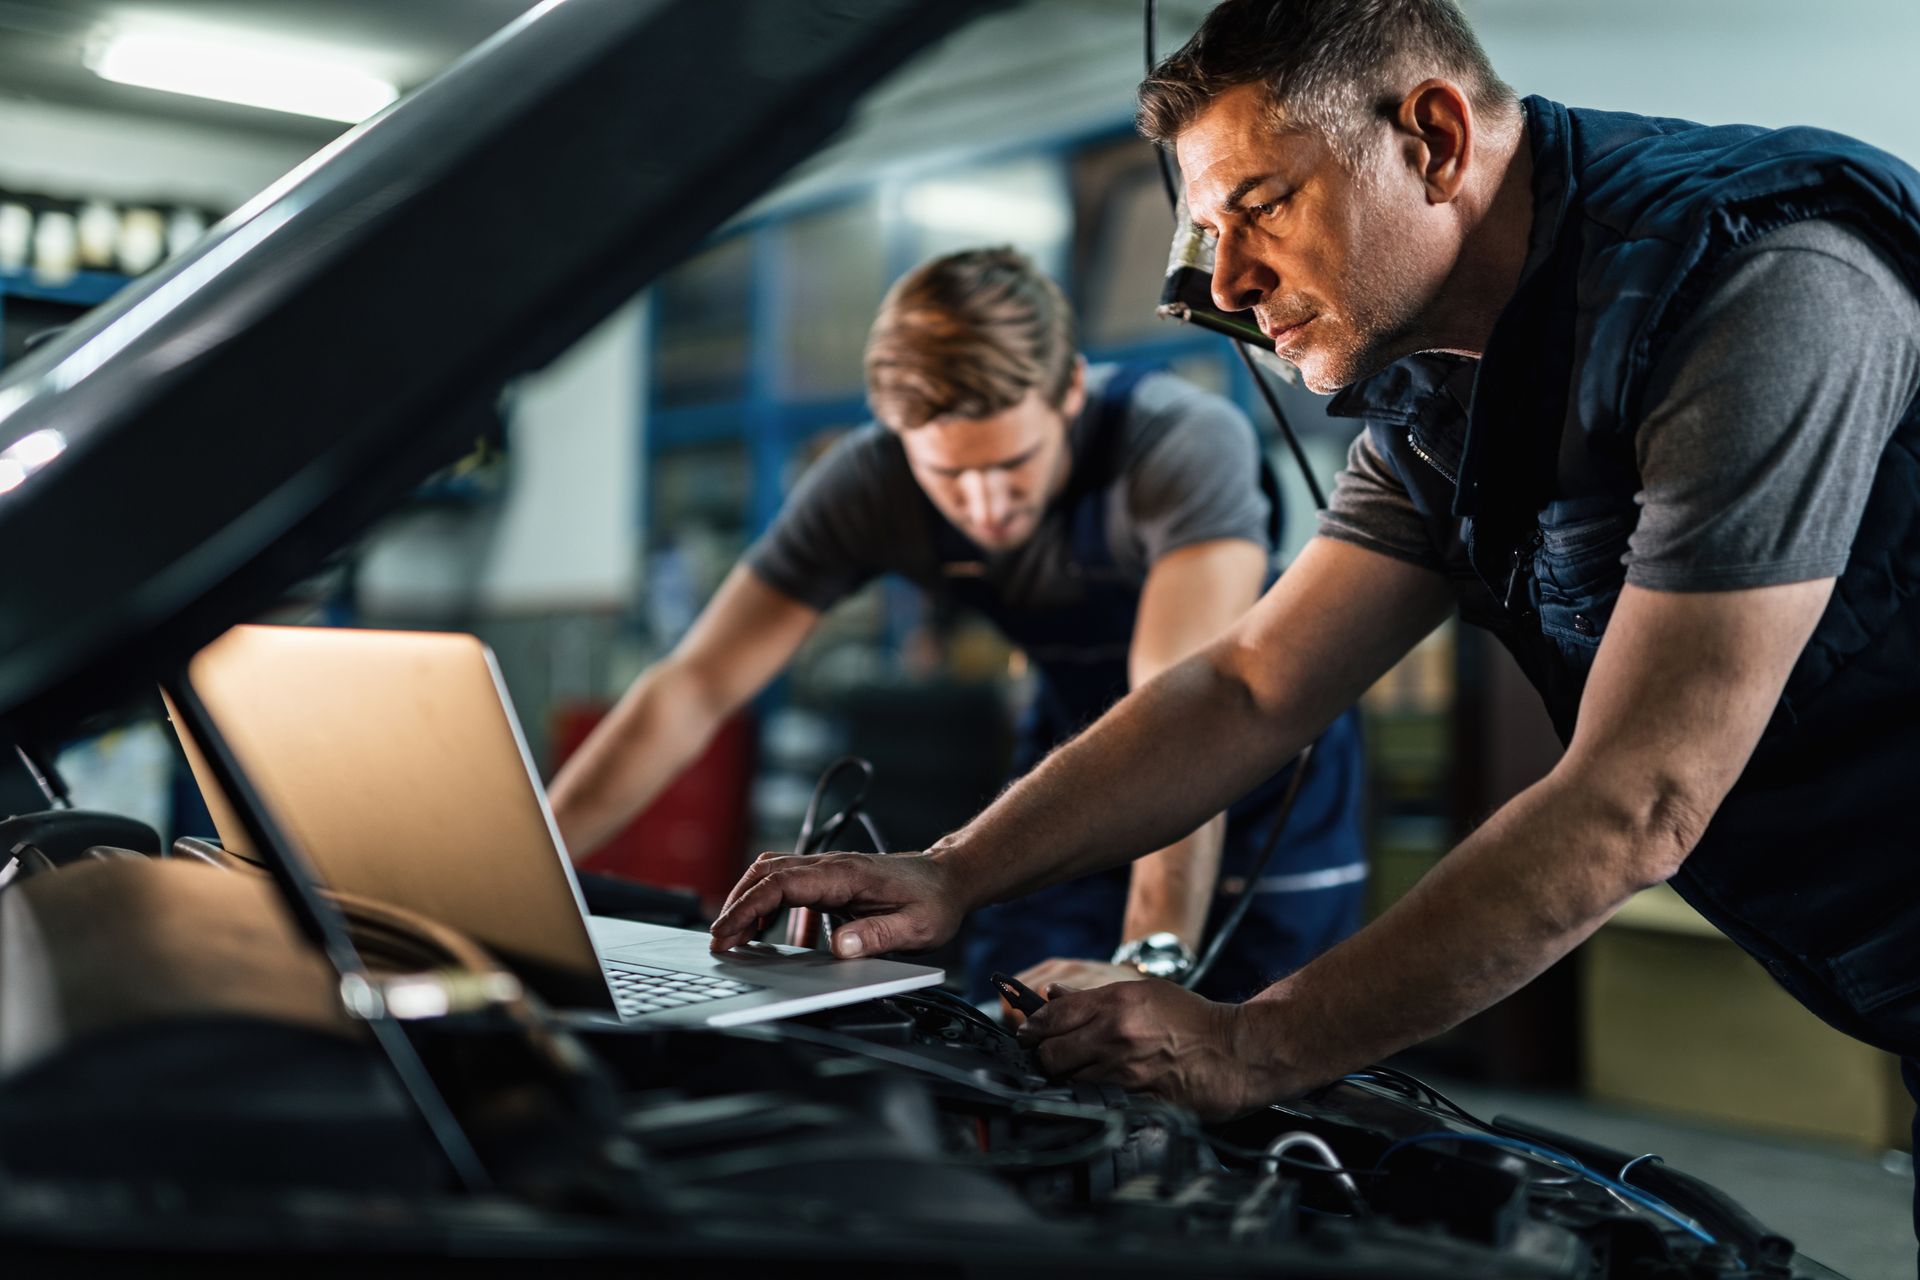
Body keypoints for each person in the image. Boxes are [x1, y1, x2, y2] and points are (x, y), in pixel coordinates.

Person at [707, 0, 1920, 1247]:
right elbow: (1249, 686)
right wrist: (951, 870)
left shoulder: (1764, 282)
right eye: (1206, 229)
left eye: (1263, 204)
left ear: (1434, 139)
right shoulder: (1439, 399)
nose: (1225, 281)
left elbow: (1641, 793)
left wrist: (1250, 1044)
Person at [551, 246, 1369, 1003]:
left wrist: (1144, 962)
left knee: (1250, 1055)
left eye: (1012, 464)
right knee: (1010, 1033)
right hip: (1075, 759)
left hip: (1255, 768)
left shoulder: (1178, 444)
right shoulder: (868, 483)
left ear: (1070, 395)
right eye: (949, 476)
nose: (984, 506)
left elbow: (1191, 708)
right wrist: (524, 873)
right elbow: (691, 687)